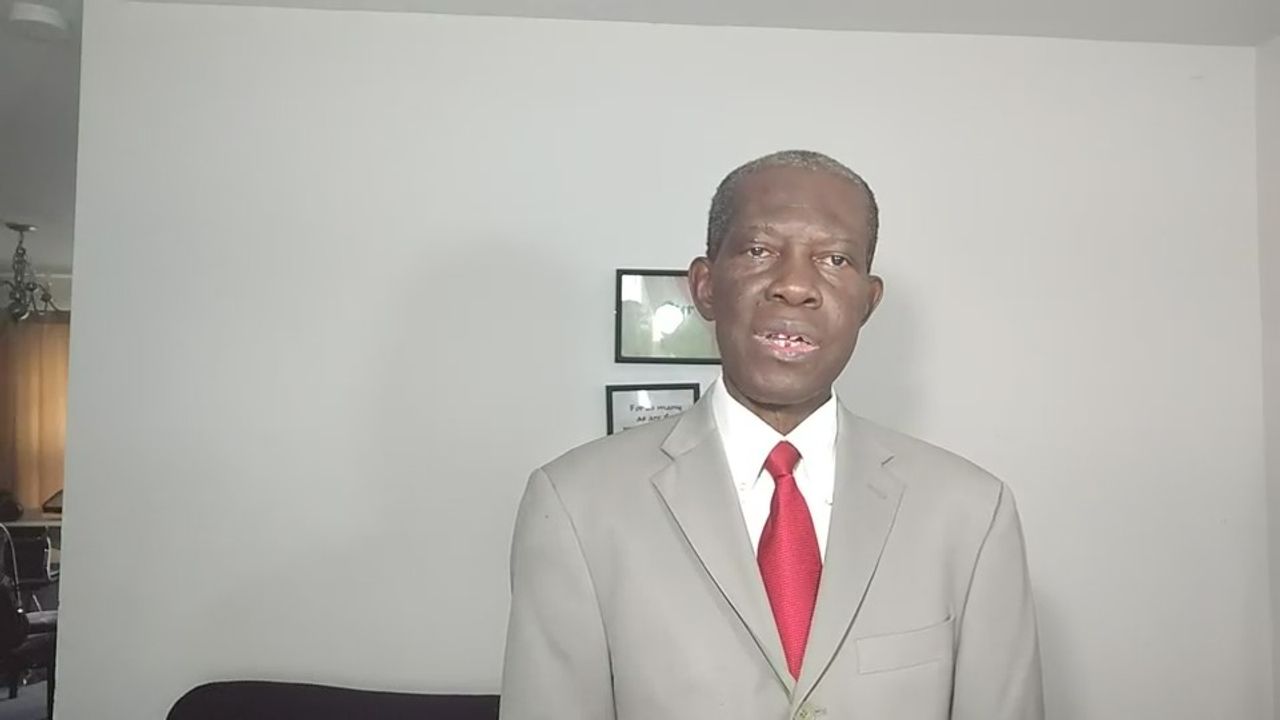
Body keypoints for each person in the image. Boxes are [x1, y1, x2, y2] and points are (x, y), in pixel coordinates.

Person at [500, 150, 1043, 720]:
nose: (795, 286)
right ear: (705, 286)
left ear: (868, 301)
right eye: (759, 251)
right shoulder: (575, 505)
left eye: (834, 259)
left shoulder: (971, 513)